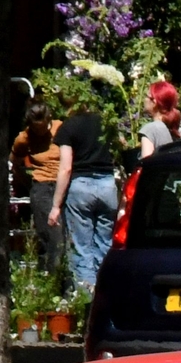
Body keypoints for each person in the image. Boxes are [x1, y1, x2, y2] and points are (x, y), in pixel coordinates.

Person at [52, 98, 119, 290]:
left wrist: (56, 205)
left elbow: (65, 167)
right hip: (107, 185)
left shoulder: (68, 127)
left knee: (81, 248)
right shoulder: (105, 122)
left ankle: (86, 301)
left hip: (81, 186)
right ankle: (108, 294)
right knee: (105, 244)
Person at [9, 99, 64, 271]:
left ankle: (64, 281)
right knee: (49, 236)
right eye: (35, 128)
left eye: (43, 127)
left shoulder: (60, 128)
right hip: (41, 187)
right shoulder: (24, 138)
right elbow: (14, 163)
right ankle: (48, 275)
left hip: (62, 185)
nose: (40, 132)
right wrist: (29, 184)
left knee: (64, 237)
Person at [139, 80, 181, 158]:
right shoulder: (176, 132)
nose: (144, 99)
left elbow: (147, 164)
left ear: (154, 102)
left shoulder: (150, 129)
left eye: (146, 96)